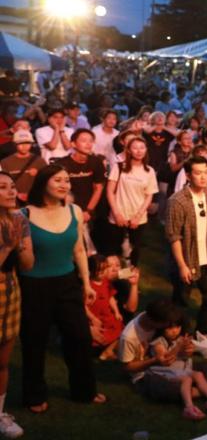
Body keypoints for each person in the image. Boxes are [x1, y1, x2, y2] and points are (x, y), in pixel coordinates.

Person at [20, 165, 106, 413]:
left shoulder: (75, 211)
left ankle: (84, 391)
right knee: (35, 341)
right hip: (34, 285)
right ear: (44, 182)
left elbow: (78, 249)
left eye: (67, 181)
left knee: (79, 337)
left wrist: (87, 283)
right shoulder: (24, 214)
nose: (64, 185)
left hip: (67, 282)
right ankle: (34, 395)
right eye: (57, 180)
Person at [119, 299, 207, 413]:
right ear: (155, 321)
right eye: (167, 325)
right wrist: (154, 360)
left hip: (174, 365)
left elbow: (175, 352)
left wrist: (186, 350)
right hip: (146, 375)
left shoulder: (158, 320)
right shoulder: (129, 337)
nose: (170, 328)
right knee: (173, 391)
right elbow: (127, 367)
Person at [166, 156, 207, 337]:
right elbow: (174, 236)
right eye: (198, 173)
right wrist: (182, 265)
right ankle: (175, 335)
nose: (203, 177)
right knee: (181, 301)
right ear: (189, 176)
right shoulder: (178, 201)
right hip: (186, 258)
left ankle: (201, 333)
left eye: (206, 172)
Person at [0, 172, 33, 437]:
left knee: (3, 359)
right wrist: (8, 247)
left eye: (12, 187)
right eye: (2, 187)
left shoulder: (20, 220)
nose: (11, 191)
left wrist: (22, 248)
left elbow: (28, 264)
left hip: (10, 291)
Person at [105, 137, 158, 266]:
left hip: (138, 218)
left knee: (134, 250)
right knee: (115, 250)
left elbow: (149, 195)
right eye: (135, 148)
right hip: (118, 216)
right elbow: (110, 191)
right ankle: (115, 280)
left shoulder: (149, 171)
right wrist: (117, 214)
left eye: (142, 147)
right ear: (128, 150)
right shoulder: (119, 167)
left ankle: (130, 279)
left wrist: (138, 216)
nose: (139, 151)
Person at [85, 255, 125, 361]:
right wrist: (92, 318)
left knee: (119, 328)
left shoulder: (106, 283)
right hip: (96, 316)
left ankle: (109, 350)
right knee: (99, 335)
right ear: (92, 271)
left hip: (107, 314)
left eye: (104, 269)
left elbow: (111, 297)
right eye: (99, 270)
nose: (103, 273)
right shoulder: (88, 286)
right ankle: (101, 350)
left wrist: (116, 312)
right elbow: (83, 305)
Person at [0, 131, 46, 205]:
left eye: (27, 143)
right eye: (21, 143)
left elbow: (46, 181)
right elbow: (2, 184)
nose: (24, 146)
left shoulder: (39, 161)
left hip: (35, 200)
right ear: (14, 144)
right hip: (14, 201)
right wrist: (16, 194)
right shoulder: (5, 162)